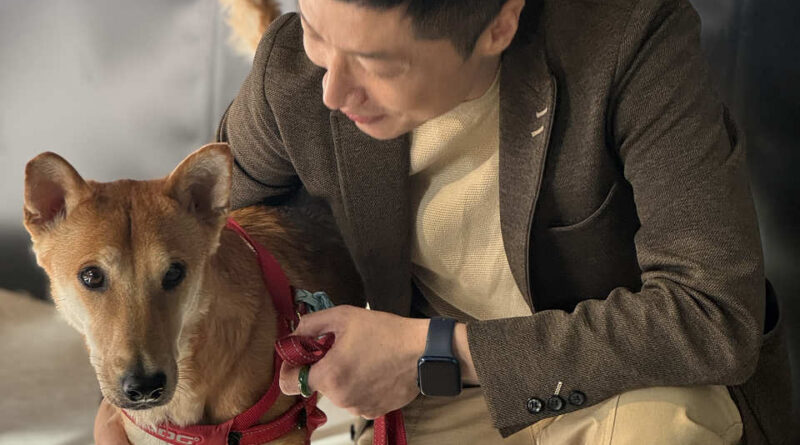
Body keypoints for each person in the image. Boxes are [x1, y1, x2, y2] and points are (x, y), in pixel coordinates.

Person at [96, 0, 795, 443]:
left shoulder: (631, 39)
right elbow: (191, 243)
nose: (332, 89)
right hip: (431, 405)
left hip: (630, 390)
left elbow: (714, 315)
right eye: (314, 29)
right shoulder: (295, 77)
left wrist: (430, 352)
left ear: (499, 24)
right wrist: (132, 407)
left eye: (377, 62)